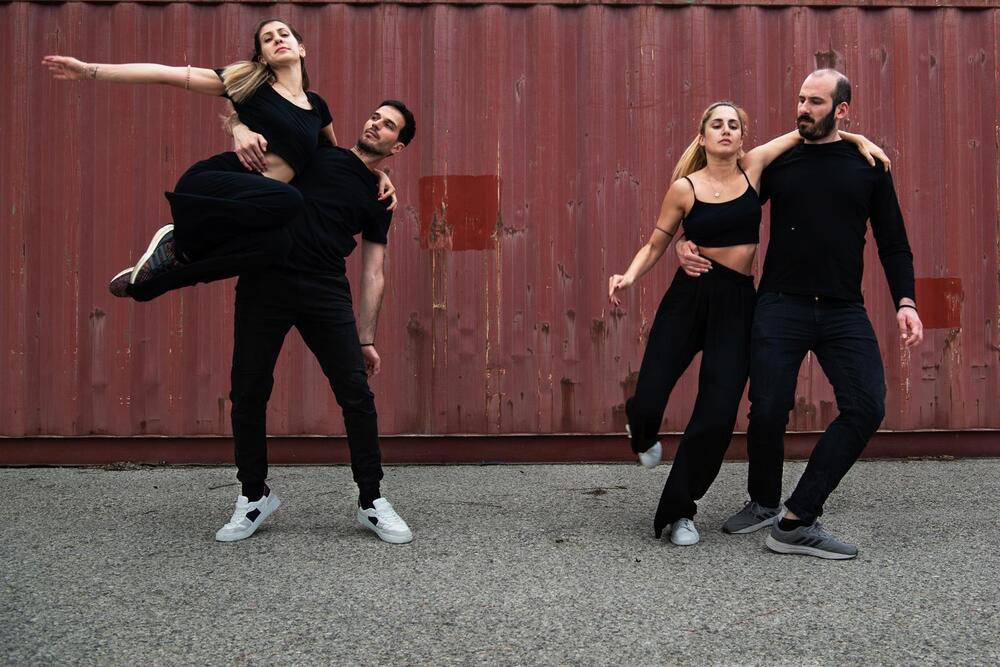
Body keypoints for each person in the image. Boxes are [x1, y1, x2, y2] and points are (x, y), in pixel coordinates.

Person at [608, 101, 888, 546]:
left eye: (733, 125)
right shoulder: (684, 188)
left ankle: (680, 512)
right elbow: (657, 241)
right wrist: (629, 275)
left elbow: (807, 131)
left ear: (742, 137)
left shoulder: (753, 168)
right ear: (702, 137)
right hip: (688, 298)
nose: (725, 130)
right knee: (650, 397)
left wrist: (857, 138)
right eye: (717, 125)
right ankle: (640, 431)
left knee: (717, 415)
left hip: (738, 303)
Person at [677, 70, 923, 559]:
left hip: (842, 308)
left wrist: (906, 301)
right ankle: (764, 501)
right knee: (768, 408)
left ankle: (797, 516)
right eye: (801, 99)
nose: (803, 109)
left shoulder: (869, 166)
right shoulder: (781, 162)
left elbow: (893, 242)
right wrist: (687, 240)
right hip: (780, 303)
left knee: (866, 406)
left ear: (842, 110)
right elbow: (724, 200)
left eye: (815, 102)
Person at [42, 18, 393, 301]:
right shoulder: (249, 86)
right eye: (267, 39)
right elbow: (165, 74)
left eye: (283, 34)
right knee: (290, 201)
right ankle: (180, 243)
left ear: (301, 48)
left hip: (257, 207)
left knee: (277, 245)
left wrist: (376, 174)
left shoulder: (316, 106)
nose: (277, 39)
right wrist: (89, 70)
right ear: (262, 58)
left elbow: (333, 159)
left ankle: (165, 269)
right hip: (215, 184)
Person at [213, 101, 416, 544]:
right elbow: (257, 105)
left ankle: (371, 500)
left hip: (325, 289)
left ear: (397, 146)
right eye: (375, 116)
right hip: (265, 280)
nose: (376, 125)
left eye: (388, 126)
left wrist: (366, 338)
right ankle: (253, 495)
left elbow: (374, 271)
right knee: (248, 390)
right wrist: (238, 129)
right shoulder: (315, 152)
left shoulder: (379, 198)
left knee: (356, 393)